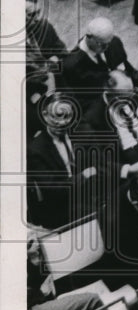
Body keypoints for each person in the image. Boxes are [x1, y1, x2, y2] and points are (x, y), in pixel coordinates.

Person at [27, 93, 99, 231]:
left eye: (67, 116)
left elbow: (99, 164)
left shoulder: (81, 132)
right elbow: (54, 190)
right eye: (57, 116)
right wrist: (84, 175)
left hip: (90, 194)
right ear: (45, 115)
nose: (63, 122)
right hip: (63, 208)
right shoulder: (36, 150)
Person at [60, 17, 138, 98]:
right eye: (101, 44)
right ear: (89, 36)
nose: (106, 48)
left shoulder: (113, 42)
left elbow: (126, 69)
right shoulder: (71, 65)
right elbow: (79, 99)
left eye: (108, 44)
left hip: (126, 96)